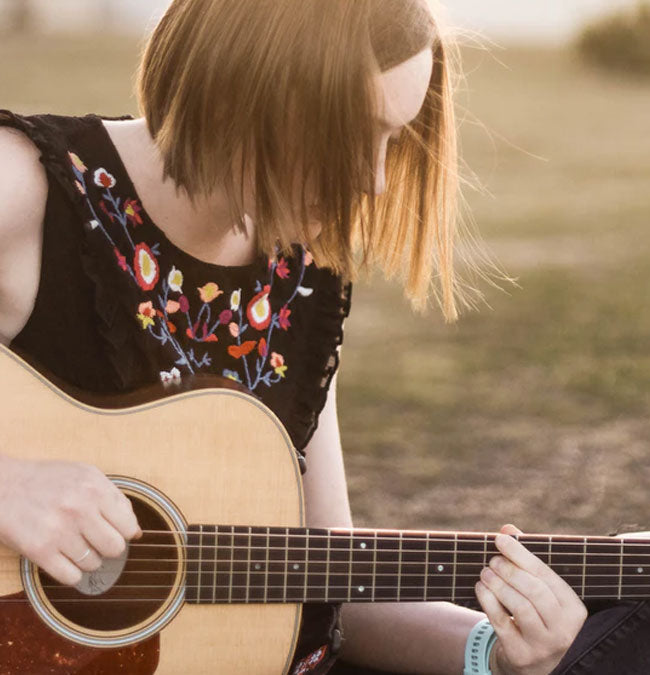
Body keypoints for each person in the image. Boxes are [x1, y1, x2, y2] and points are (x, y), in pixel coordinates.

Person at [0, 1, 647, 674]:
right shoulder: (26, 190)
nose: (371, 179)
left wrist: (494, 649)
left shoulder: (301, 268)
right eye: (355, 135)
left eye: (392, 139)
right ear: (249, 91)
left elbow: (330, 580)